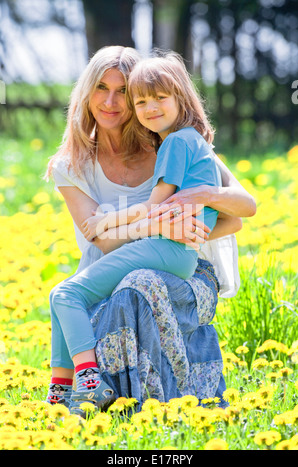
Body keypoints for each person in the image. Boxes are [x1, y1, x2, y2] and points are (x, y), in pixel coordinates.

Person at [45, 46, 256, 416]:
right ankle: (67, 391)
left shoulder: (170, 142)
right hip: (132, 254)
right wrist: (158, 225)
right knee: (70, 294)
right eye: (100, 87)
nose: (111, 101)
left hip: (175, 262)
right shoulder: (70, 165)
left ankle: (110, 391)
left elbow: (241, 211)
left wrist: (201, 199)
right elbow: (104, 241)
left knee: (132, 286)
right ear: (85, 93)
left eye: (124, 91)